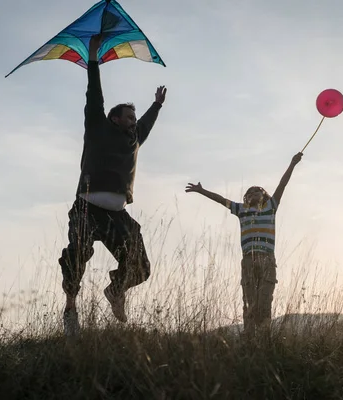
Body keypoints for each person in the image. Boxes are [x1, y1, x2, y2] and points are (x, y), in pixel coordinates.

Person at [58, 34, 167, 337]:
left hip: (118, 216)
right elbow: (95, 93)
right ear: (114, 118)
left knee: (141, 266)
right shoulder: (97, 127)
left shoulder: (133, 139)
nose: (134, 121)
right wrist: (93, 55)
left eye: (134, 118)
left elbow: (145, 124)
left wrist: (156, 105)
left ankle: (115, 291)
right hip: (87, 208)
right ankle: (70, 308)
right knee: (77, 253)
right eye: (129, 117)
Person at [185, 152, 303, 338]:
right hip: (248, 260)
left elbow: (283, 184)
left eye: (258, 191)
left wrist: (292, 163)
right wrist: (202, 190)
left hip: (266, 260)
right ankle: (249, 339)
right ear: (246, 198)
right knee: (249, 302)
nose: (253, 193)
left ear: (264, 195)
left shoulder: (271, 207)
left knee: (264, 302)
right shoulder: (241, 210)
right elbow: (221, 199)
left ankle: (264, 339)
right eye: (249, 192)